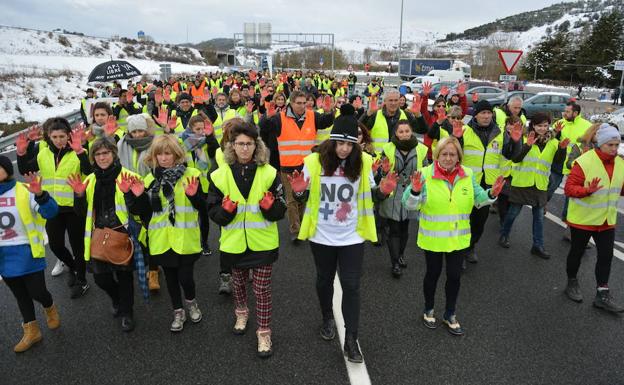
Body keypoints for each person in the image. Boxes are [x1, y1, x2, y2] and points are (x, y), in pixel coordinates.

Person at [290, 105, 396, 363]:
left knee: (351, 285)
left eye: (350, 145)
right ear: (332, 140)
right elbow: (301, 194)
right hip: (322, 234)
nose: (344, 149)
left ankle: (351, 339)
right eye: (340, 143)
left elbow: (372, 196)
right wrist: (299, 192)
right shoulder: (313, 161)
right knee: (324, 280)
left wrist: (383, 191)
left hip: (351, 235)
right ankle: (327, 317)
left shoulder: (364, 162)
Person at [403, 136, 504, 335]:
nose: (448, 158)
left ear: (459, 156)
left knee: (455, 277)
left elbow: (479, 199)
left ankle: (450, 313)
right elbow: (409, 205)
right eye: (444, 154)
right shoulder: (424, 174)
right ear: (437, 155)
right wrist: (415, 191)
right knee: (432, 274)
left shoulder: (467, 174)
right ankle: (428, 309)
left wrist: (491, 194)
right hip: (433, 239)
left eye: (452, 154)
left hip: (458, 239)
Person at [207, 121, 286, 358]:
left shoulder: (270, 173)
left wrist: (270, 208)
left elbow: (280, 210)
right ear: (231, 146)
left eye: (249, 144)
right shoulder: (219, 176)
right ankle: (241, 312)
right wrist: (226, 212)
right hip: (234, 244)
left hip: (263, 242)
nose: (244, 149)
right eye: (240, 144)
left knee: (262, 290)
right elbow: (213, 213)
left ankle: (264, 332)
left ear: (256, 145)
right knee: (239, 284)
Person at [127, 135, 208, 332]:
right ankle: (177, 311)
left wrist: (194, 196)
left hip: (186, 238)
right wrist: (134, 197)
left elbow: (203, 207)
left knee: (185, 278)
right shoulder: (149, 180)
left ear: (176, 154)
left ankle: (191, 303)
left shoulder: (192, 174)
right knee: (171, 279)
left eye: (167, 153)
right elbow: (144, 214)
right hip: (161, 240)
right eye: (159, 154)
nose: (163, 158)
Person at [68, 138, 142, 332]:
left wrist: (131, 194)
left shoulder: (129, 176)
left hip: (123, 234)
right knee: (102, 279)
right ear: (93, 158)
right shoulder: (90, 180)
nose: (102, 157)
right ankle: (117, 299)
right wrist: (79, 196)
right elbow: (81, 212)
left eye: (105, 153)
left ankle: (127, 312)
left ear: (113, 154)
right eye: (98, 154)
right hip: (99, 237)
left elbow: (141, 209)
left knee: (125, 277)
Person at [16, 117, 92, 298]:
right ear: (49, 137)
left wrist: (81, 151)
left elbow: (89, 171)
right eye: (55, 136)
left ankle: (82, 281)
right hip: (53, 208)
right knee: (56, 246)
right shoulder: (43, 154)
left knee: (78, 246)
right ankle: (73, 266)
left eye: (62, 136)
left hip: (74, 207)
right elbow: (26, 171)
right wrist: (21, 154)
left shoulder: (77, 152)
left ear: (68, 136)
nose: (58, 140)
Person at [259, 90, 335, 243]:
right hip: (288, 166)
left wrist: (329, 112)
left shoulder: (313, 116)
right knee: (291, 200)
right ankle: (296, 229)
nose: (302, 106)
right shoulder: (280, 118)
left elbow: (326, 122)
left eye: (304, 103)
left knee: (304, 198)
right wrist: (267, 116)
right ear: (291, 103)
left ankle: (301, 222)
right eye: (298, 103)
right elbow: (264, 127)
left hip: (308, 166)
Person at [0, 157, 60, 353]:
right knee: (20, 295)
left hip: (27, 251)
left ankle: (49, 306)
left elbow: (51, 213)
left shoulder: (24, 191)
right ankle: (32, 330)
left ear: (7, 170)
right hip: (3, 256)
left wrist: (41, 195)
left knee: (37, 292)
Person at [563, 123, 624, 314]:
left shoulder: (621, 163)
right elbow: (569, 189)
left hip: (606, 220)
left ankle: (602, 294)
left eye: (617, 145)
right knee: (577, 252)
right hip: (583, 219)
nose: (614, 149)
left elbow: (620, 188)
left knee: (606, 256)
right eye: (610, 145)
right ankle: (571, 282)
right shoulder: (584, 162)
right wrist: (587, 191)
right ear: (601, 143)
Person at [498, 113, 567, 257]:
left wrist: (562, 149)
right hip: (522, 183)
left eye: (545, 125)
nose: (542, 128)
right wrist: (527, 146)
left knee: (539, 217)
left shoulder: (553, 143)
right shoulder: (523, 139)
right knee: (512, 213)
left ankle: (538, 245)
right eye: (539, 125)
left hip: (540, 185)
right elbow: (515, 159)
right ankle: (504, 234)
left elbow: (558, 162)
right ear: (533, 126)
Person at [456, 100, 514, 266]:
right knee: (464, 218)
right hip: (466, 182)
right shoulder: (465, 130)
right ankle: (460, 252)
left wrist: (516, 142)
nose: (486, 116)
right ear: (476, 115)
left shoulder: (500, 133)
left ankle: (470, 246)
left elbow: (512, 155)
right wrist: (457, 137)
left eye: (489, 113)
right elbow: (454, 152)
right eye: (483, 113)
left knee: (480, 221)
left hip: (488, 184)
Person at [377, 120, 428, 277]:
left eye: (407, 131)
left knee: (405, 228)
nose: (404, 134)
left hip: (411, 192)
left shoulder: (421, 149)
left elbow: (426, 170)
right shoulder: (388, 148)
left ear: (411, 132)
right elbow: (380, 172)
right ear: (396, 134)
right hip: (392, 191)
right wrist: (384, 173)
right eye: (401, 132)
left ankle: (400, 254)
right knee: (394, 229)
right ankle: (394, 263)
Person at [181, 115, 220, 257]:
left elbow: (216, 153)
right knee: (189, 215)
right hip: (189, 184)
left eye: (203, 128)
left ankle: (204, 242)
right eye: (198, 129)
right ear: (190, 129)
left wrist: (210, 137)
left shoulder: (207, 140)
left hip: (204, 184)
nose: (201, 132)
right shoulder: (183, 142)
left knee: (204, 216)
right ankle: (191, 241)